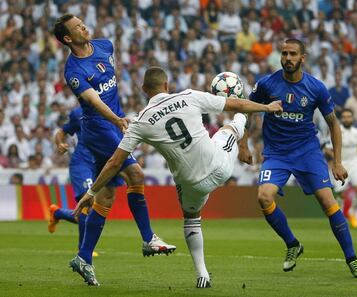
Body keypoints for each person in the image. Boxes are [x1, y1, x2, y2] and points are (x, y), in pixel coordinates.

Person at [74, 66, 283, 288]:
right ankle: (241, 144)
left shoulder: (140, 122)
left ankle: (202, 274)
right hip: (219, 168)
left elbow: (114, 163)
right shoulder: (190, 96)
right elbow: (238, 104)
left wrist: (91, 192)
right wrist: (267, 107)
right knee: (230, 127)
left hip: (192, 184)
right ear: (167, 85)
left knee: (191, 217)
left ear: (144, 89)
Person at [53, 14, 175, 286]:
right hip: (99, 128)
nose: (84, 27)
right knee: (137, 175)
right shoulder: (74, 71)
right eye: (77, 28)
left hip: (113, 123)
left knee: (105, 197)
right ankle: (148, 239)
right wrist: (116, 120)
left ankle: (83, 257)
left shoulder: (105, 46)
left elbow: (108, 87)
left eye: (82, 22)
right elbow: (94, 100)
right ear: (68, 39)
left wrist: (119, 117)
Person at [246, 39, 357, 278]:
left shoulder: (316, 88)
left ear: (302, 58)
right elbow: (248, 108)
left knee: (328, 202)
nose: (287, 58)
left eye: (292, 54)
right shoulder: (267, 84)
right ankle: (292, 244)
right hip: (277, 153)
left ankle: (352, 259)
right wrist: (242, 143)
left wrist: (338, 162)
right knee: (263, 197)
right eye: (284, 53)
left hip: (306, 152)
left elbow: (334, 124)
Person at [48, 106, 98, 257]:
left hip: (97, 164)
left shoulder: (107, 108)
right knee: (88, 202)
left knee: (88, 212)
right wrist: (59, 143)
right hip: (81, 163)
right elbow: (62, 131)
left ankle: (58, 213)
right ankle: (83, 250)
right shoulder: (78, 113)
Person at [327, 109, 357, 228]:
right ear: (341, 119)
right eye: (344, 117)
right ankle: (340, 217)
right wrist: (336, 161)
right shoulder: (337, 131)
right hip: (341, 166)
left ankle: (352, 212)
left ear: (352, 118)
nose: (347, 119)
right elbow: (327, 149)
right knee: (340, 194)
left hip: (354, 165)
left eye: (349, 116)